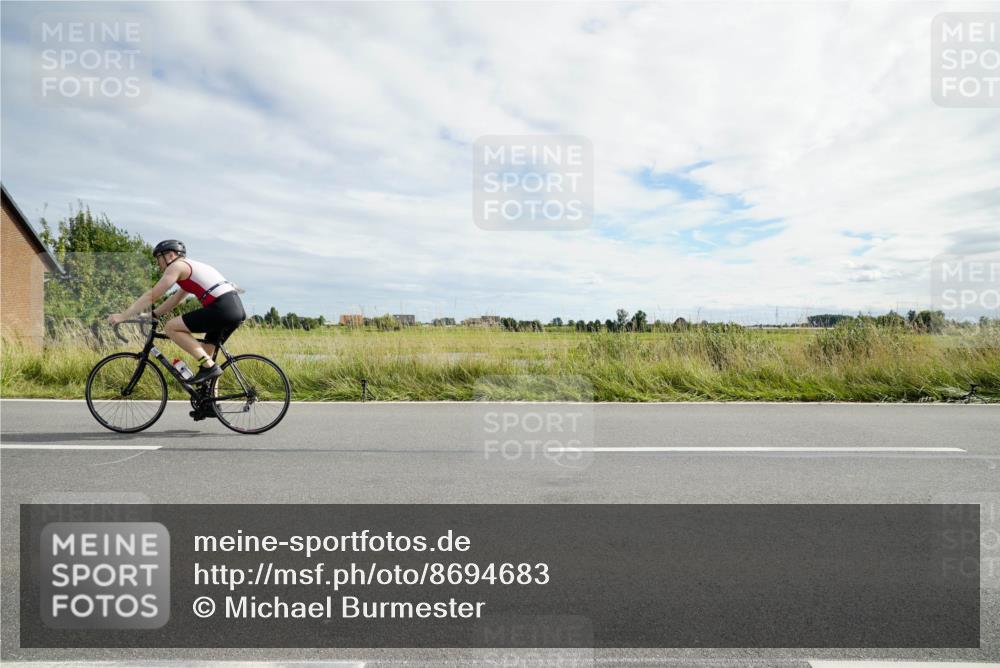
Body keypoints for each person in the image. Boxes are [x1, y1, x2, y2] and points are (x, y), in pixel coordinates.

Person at [108, 240, 246, 385]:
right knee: (206, 354)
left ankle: (209, 368)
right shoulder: (190, 268)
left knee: (171, 327)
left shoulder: (177, 266)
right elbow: (175, 300)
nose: (157, 263)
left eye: (158, 258)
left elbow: (152, 294)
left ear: (170, 255)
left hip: (222, 308)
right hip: (234, 308)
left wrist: (122, 316)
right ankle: (210, 403)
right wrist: (153, 314)